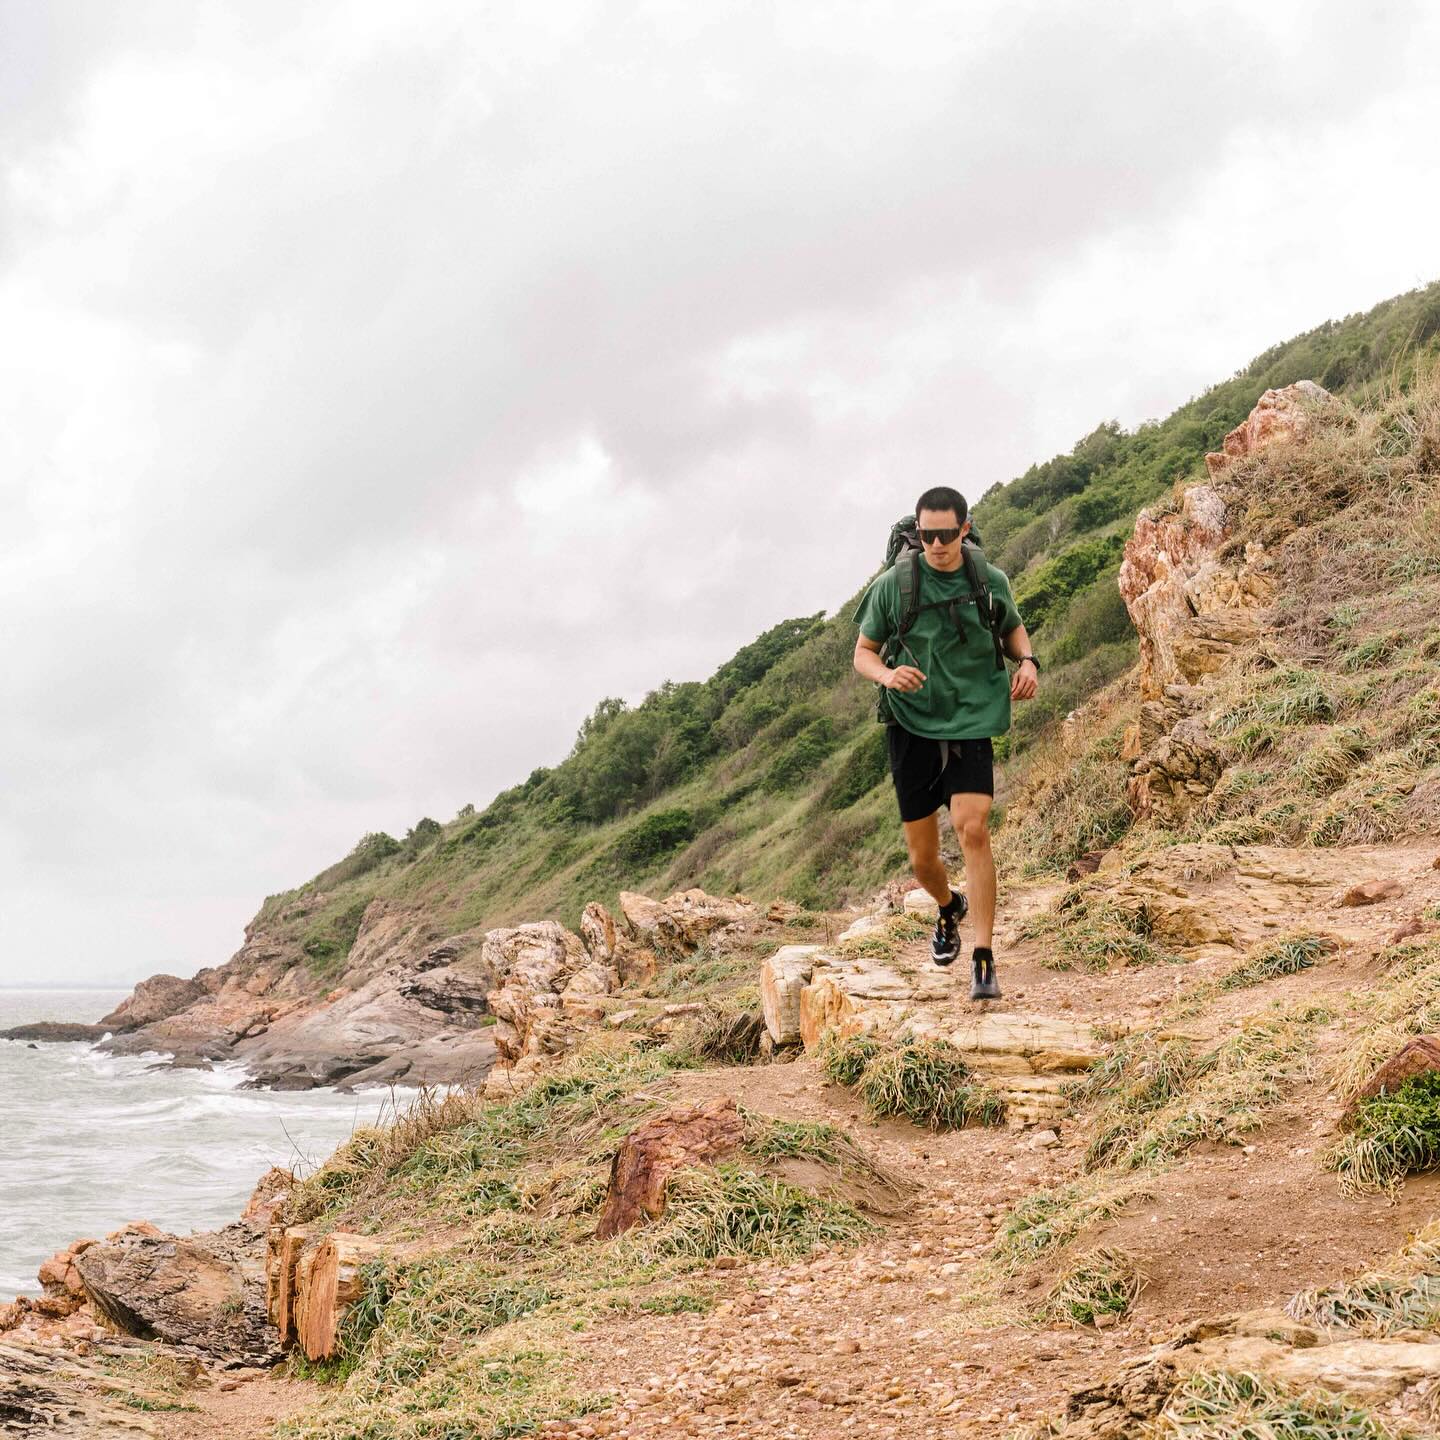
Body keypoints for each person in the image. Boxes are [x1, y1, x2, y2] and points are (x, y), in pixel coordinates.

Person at [852, 485, 1038, 1000]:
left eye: (945, 534)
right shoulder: (895, 586)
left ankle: (983, 957)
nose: (935, 544)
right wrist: (888, 677)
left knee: (972, 828)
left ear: (963, 529)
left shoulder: (987, 579)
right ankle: (948, 906)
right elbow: (863, 654)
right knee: (923, 862)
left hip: (973, 715)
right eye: (926, 534)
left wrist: (1027, 661)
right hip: (911, 724)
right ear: (918, 531)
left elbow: (1013, 629)